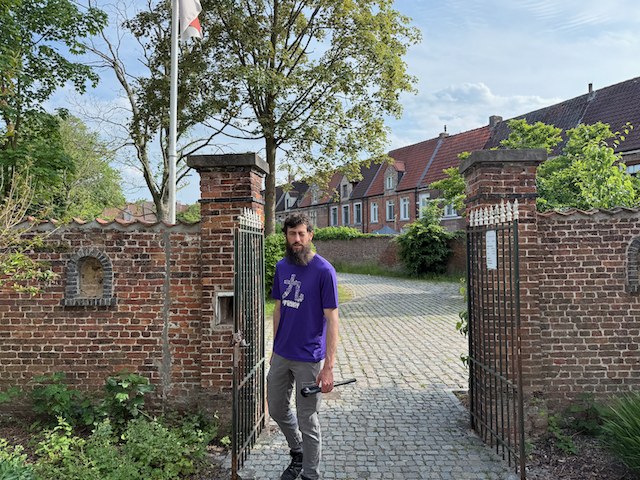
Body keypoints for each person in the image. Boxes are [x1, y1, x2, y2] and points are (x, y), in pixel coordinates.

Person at [268, 212, 339, 480]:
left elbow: (332, 319)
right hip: (282, 354)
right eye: (291, 234)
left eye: (301, 233)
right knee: (275, 408)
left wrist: (328, 367)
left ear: (310, 235)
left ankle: (311, 474)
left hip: (309, 358)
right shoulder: (281, 267)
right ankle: (296, 450)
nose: (296, 239)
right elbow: (278, 309)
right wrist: (274, 348)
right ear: (285, 236)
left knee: (308, 419)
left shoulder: (323, 271)